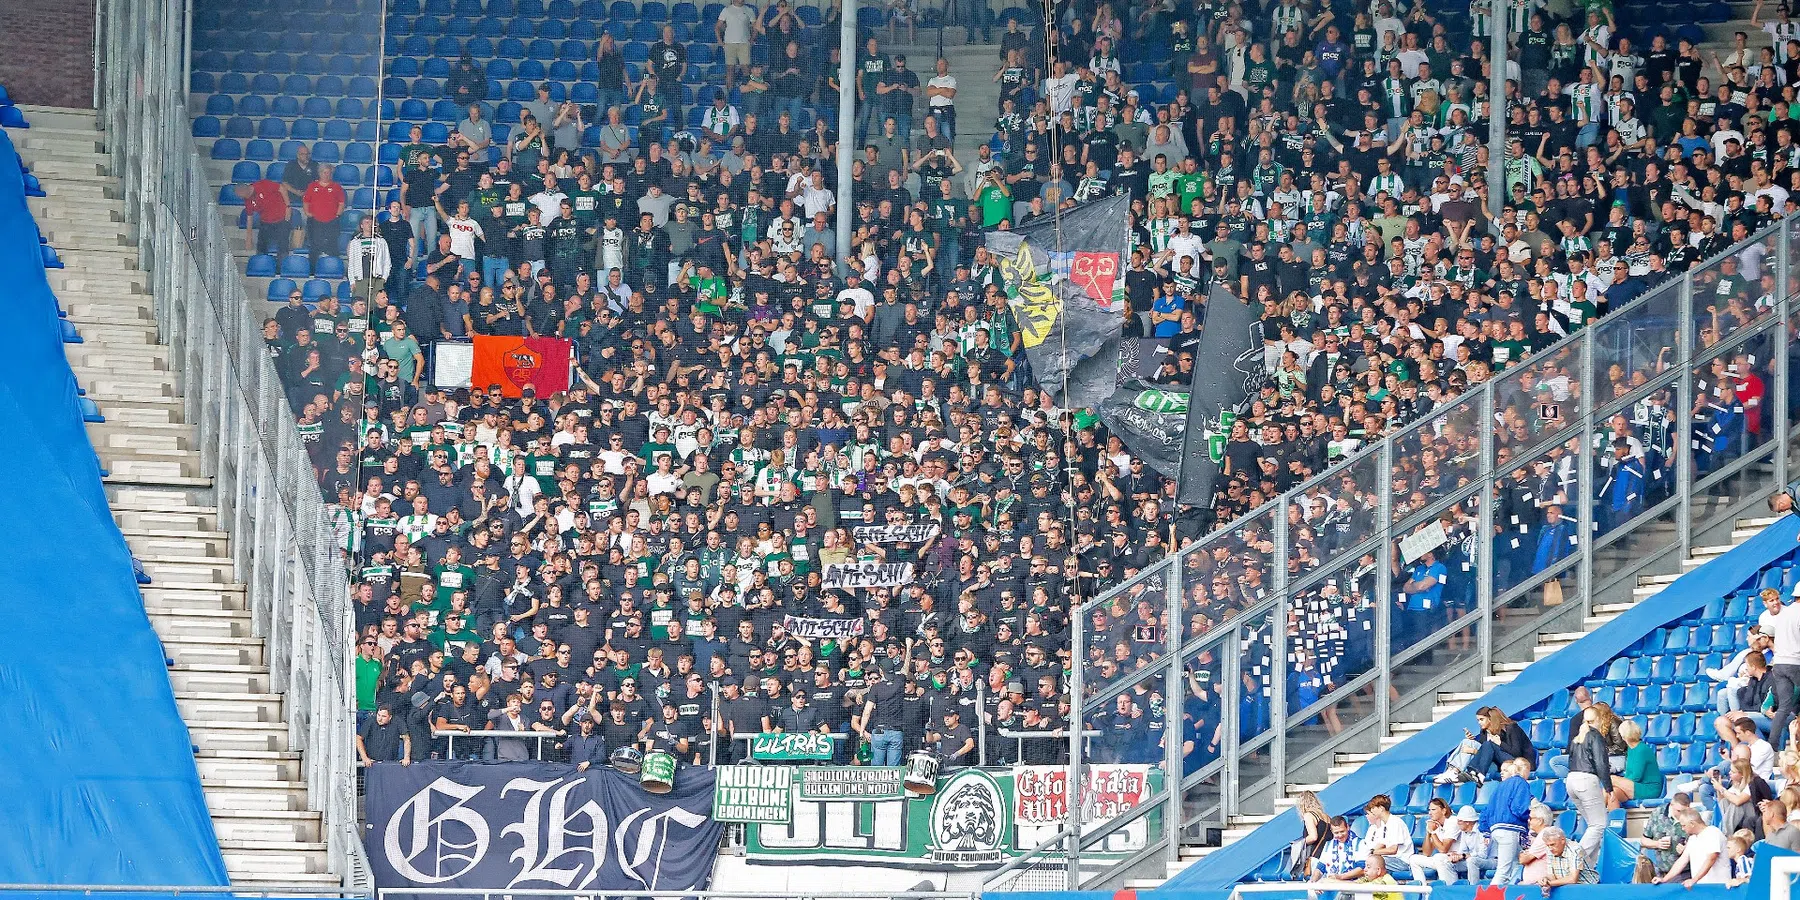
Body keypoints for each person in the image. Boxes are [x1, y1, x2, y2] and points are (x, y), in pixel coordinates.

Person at [1436, 706, 1537, 783]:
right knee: (1467, 742)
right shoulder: (1485, 732)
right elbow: (1483, 751)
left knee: (1489, 744)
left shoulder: (1511, 728)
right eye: (1478, 720)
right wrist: (1473, 741)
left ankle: (1477, 773)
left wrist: (1500, 743)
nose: (1479, 723)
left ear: (1490, 719)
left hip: (1517, 763)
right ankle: (1452, 770)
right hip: (1495, 762)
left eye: (1481, 719)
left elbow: (1516, 753)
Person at [1564, 704, 1612, 864]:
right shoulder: (1595, 735)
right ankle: (1574, 859)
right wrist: (1608, 786)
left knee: (1593, 826)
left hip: (1571, 779)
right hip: (1586, 780)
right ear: (1598, 719)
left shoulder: (1577, 737)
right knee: (1599, 825)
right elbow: (1601, 762)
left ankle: (1588, 869)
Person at [1656, 806, 1730, 886]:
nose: (1682, 829)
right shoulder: (1692, 839)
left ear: (1692, 824)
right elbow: (1682, 861)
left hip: (1718, 886)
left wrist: (1695, 879)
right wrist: (1664, 879)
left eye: (1684, 825)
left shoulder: (1713, 832)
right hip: (1701, 887)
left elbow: (1711, 858)